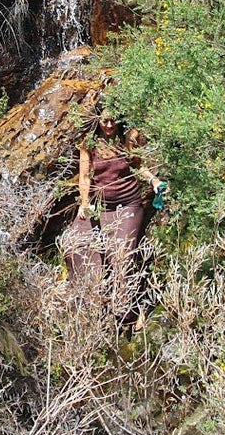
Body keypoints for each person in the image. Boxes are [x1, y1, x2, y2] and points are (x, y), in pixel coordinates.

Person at [63, 106, 159, 321]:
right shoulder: (88, 144)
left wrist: (154, 180)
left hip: (127, 205)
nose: (108, 125)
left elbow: (138, 167)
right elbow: (85, 176)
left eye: (112, 121)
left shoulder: (127, 139)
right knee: (75, 245)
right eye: (105, 121)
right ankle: (88, 306)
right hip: (100, 206)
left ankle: (127, 313)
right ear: (98, 120)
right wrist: (84, 203)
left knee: (120, 255)